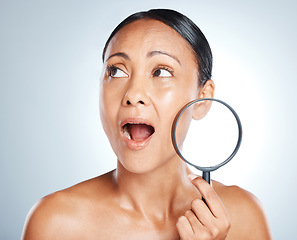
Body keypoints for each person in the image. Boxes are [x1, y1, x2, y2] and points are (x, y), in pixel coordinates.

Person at [22, 9, 271, 239]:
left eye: (161, 71)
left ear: (202, 99)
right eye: (116, 71)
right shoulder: (55, 223)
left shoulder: (242, 217)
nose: (133, 94)